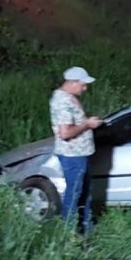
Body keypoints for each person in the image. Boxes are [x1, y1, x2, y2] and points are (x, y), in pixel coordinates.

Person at [49, 66, 102, 232]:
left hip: (80, 153)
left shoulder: (69, 97)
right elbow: (66, 133)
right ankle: (69, 232)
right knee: (74, 193)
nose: (85, 88)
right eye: (83, 84)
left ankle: (86, 229)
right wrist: (87, 124)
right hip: (72, 154)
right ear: (72, 82)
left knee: (84, 191)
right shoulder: (62, 101)